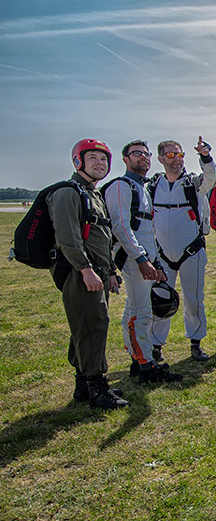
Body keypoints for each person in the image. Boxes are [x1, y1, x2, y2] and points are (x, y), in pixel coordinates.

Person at [50, 139, 127, 408]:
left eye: (104, 159)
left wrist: (110, 272)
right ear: (77, 161)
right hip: (79, 273)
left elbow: (101, 237)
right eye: (92, 157)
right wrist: (85, 270)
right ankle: (97, 388)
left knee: (87, 326)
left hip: (96, 273)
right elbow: (68, 238)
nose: (100, 163)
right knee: (93, 325)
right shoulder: (68, 193)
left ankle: (83, 385)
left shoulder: (92, 194)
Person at [103, 140, 179, 383]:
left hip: (145, 258)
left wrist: (155, 262)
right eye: (136, 154)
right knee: (141, 313)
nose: (143, 158)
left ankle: (138, 359)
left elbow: (148, 229)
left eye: (146, 154)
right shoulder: (121, 186)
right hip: (134, 259)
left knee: (133, 310)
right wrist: (141, 259)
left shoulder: (141, 188)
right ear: (125, 159)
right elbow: (121, 225)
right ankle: (146, 366)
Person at [148, 137, 216, 363]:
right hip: (163, 255)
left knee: (194, 299)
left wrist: (205, 156)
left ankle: (196, 342)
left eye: (179, 155)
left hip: (191, 251)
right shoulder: (152, 186)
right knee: (160, 299)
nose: (176, 159)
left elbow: (211, 178)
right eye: (170, 155)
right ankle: (156, 345)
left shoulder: (193, 184)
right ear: (160, 158)